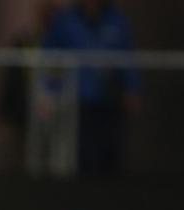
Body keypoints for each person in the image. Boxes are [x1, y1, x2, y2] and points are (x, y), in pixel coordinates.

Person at [41, 0, 141, 174]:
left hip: (110, 99)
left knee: (110, 155)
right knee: (83, 157)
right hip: (78, 102)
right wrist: (49, 91)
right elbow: (52, 59)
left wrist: (132, 89)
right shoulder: (65, 20)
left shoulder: (116, 19)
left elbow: (127, 56)